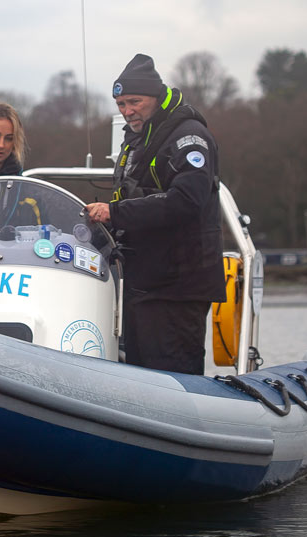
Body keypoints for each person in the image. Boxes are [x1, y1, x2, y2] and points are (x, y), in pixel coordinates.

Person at [84, 54, 226, 375]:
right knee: (140, 374)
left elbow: (187, 200)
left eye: (134, 101)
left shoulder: (189, 137)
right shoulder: (137, 138)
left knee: (173, 375)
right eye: (120, 104)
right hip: (143, 283)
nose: (127, 110)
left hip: (178, 286)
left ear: (157, 97)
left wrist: (115, 212)